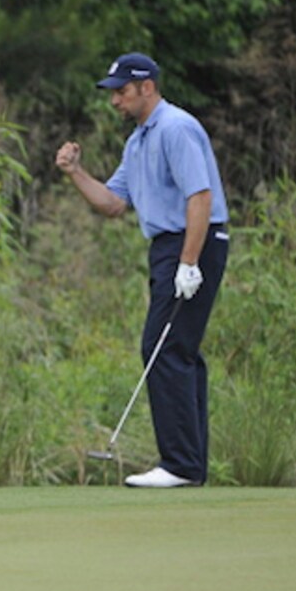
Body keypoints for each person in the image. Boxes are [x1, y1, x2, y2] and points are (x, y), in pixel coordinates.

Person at [55, 52, 230, 488]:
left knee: (163, 347)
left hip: (195, 242)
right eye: (112, 93)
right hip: (169, 248)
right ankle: (189, 464)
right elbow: (113, 203)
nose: (114, 100)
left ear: (146, 86)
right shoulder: (137, 142)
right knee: (179, 351)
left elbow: (200, 198)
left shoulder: (176, 128)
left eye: (122, 91)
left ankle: (180, 465)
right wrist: (75, 173)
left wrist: (189, 263)